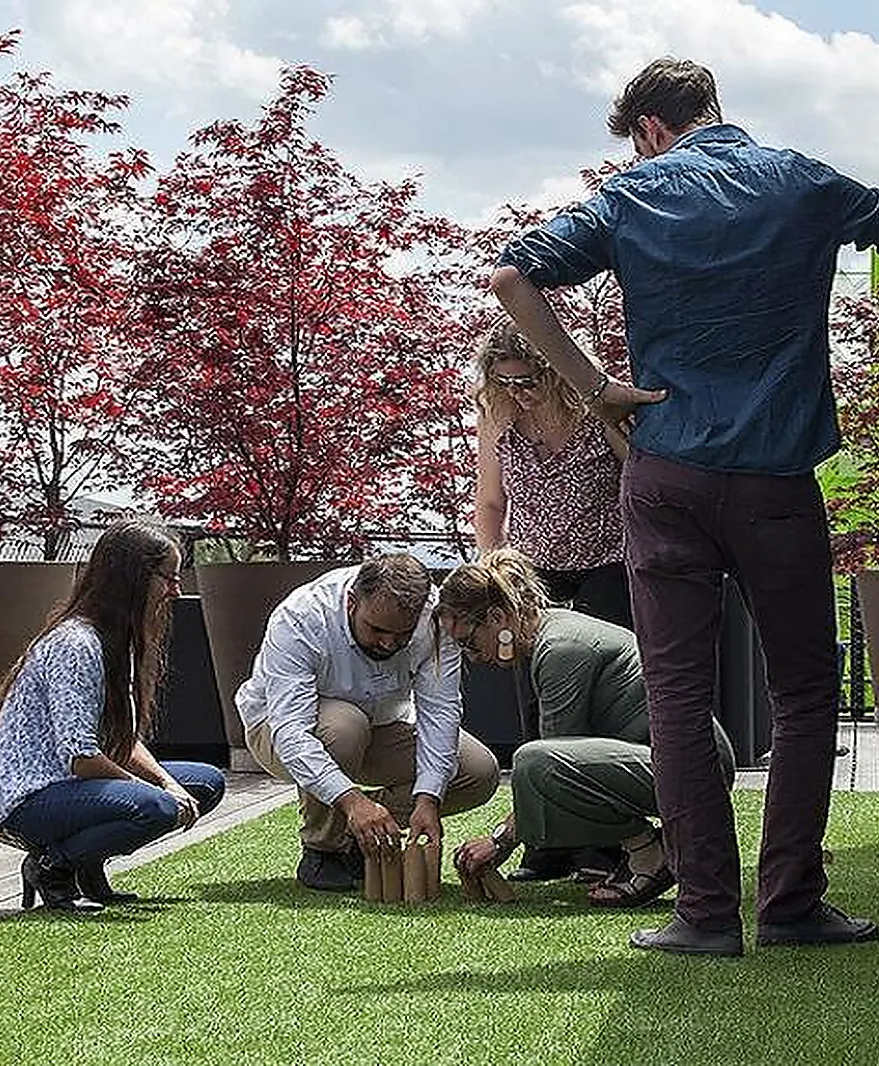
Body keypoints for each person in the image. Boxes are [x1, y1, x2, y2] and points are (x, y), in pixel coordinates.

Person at [490, 57, 879, 956]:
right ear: (711, 112)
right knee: (806, 691)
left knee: (675, 697)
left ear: (648, 131)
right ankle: (789, 905)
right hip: (776, 483)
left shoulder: (629, 198)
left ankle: (704, 916)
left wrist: (596, 389)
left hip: (665, 476)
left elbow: (513, 280)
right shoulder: (803, 180)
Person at [440, 550, 735, 906]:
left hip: (696, 771)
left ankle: (650, 852)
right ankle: (641, 849)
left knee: (534, 763)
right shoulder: (551, 634)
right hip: (682, 764)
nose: (472, 656)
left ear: (497, 617)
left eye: (469, 641)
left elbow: (550, 768)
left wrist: (499, 840)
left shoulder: (560, 649)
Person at [0, 520, 227, 912]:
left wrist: (166, 782)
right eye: (168, 579)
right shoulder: (77, 643)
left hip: (72, 786)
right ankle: (52, 866)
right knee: (156, 807)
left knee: (204, 783)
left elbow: (121, 743)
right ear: (134, 579)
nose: (176, 590)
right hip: (30, 797)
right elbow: (83, 757)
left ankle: (86, 861)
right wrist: (159, 794)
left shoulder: (115, 638)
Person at [235, 553, 500, 891]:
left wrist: (428, 799)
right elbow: (291, 733)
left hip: (381, 726)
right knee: (344, 726)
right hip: (276, 730)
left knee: (477, 771)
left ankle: (368, 837)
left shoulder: (435, 620)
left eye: (402, 635)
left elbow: (440, 713)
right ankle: (324, 849)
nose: (389, 643)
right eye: (376, 629)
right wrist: (352, 801)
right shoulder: (301, 617)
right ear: (351, 602)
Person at [473, 317, 631, 629]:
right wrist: (492, 573)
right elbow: (491, 503)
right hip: (531, 572)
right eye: (504, 383)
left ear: (557, 372)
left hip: (609, 565)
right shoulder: (496, 416)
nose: (516, 392)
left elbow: (643, 484)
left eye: (527, 381)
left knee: (599, 662)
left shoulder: (597, 409)